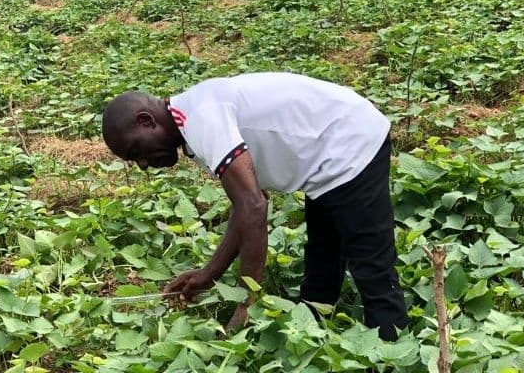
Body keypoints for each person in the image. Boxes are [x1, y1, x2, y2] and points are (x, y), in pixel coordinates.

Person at [101, 72, 409, 340]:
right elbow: (244, 208)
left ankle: (389, 353)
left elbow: (254, 207)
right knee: (322, 260)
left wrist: (246, 302)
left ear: (146, 120)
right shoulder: (192, 118)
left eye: (136, 150)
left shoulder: (203, 118)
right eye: (135, 162)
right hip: (323, 158)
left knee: (372, 269)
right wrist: (209, 274)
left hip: (350, 142)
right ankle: (311, 339)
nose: (143, 163)